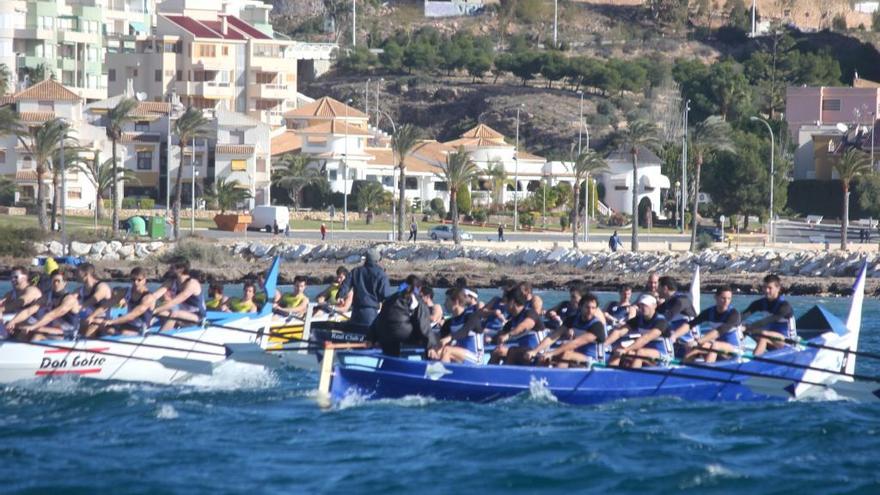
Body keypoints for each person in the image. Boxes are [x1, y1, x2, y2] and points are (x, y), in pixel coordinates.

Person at [527, 292, 607, 367]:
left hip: (596, 362)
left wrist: (552, 353)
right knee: (544, 357)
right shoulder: (573, 319)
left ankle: (558, 379)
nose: (590, 311)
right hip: (579, 356)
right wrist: (535, 351)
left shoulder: (597, 326)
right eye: (587, 307)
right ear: (580, 307)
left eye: (593, 308)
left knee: (565, 354)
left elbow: (575, 343)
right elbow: (553, 336)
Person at [366, 274, 433, 356]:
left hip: (383, 334)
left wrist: (370, 338)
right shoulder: (416, 300)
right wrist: (431, 345)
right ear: (419, 288)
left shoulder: (391, 298)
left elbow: (379, 319)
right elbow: (423, 324)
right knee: (421, 337)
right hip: (401, 334)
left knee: (391, 338)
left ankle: (390, 360)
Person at [7, 270, 80, 341]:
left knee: (37, 334)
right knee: (21, 329)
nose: (56, 283)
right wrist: (13, 321)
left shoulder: (70, 299)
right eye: (53, 281)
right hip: (54, 330)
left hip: (69, 333)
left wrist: (33, 327)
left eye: (58, 281)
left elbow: (52, 315)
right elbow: (28, 311)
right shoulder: (47, 297)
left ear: (65, 283)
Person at [675, 286, 742, 363]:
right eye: (723, 298)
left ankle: (707, 370)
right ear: (716, 297)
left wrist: (698, 341)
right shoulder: (709, 312)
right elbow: (690, 324)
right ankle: (684, 368)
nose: (726, 301)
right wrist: (673, 336)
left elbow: (719, 331)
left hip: (733, 349)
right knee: (695, 348)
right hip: (717, 347)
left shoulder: (734, 314)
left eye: (729, 298)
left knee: (714, 345)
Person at [605, 294, 668, 369]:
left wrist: (625, 350)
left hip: (663, 355)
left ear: (654, 306)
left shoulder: (661, 321)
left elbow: (645, 339)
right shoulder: (638, 319)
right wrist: (604, 345)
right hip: (646, 353)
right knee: (618, 350)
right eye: (641, 305)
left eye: (645, 305)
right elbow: (619, 332)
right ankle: (610, 375)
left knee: (639, 352)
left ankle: (633, 378)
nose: (642, 308)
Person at [338, 248, 391, 333]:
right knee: (368, 339)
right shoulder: (381, 274)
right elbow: (385, 296)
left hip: (355, 314)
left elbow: (346, 285)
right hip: (370, 315)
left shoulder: (355, 271)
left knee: (354, 339)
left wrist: (340, 296)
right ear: (377, 260)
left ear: (366, 259)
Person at [489, 287, 546, 365]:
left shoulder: (529, 312)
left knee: (511, 351)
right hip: (524, 353)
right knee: (497, 351)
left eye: (506, 302)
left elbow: (526, 325)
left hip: (538, 354)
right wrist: (493, 339)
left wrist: (508, 335)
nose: (504, 306)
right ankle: (489, 375)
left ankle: (507, 374)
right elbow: (500, 336)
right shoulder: (511, 321)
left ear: (512, 302)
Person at [742, 274, 796, 356]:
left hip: (787, 343)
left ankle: (752, 363)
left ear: (778, 289)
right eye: (764, 287)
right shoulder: (760, 303)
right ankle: (735, 355)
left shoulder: (785, 306)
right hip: (770, 340)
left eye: (770, 288)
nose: (766, 290)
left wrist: (750, 327)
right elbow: (743, 315)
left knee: (763, 335)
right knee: (741, 328)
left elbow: (770, 319)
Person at [429, 288, 485, 364]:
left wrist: (450, 337)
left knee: (447, 350)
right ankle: (433, 373)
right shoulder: (449, 322)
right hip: (459, 356)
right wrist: (433, 348)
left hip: (476, 358)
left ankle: (443, 374)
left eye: (447, 300)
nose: (444, 304)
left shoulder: (471, 317)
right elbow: (440, 338)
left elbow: (464, 331)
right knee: (437, 352)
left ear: (456, 301)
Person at [151, 258, 205, 331]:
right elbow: (154, 296)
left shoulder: (192, 283)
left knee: (174, 313)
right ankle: (141, 332)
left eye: (172, 267)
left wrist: (154, 310)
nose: (169, 269)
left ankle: (159, 337)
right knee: (156, 312)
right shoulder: (171, 281)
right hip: (181, 314)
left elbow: (173, 303)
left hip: (196, 316)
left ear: (181, 269)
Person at [99, 267, 156, 335]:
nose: (135, 282)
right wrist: (92, 316)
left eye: (139, 280)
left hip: (142, 328)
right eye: (133, 279)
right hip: (128, 324)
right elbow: (107, 304)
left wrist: (112, 322)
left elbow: (132, 315)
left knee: (122, 332)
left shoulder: (148, 297)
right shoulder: (126, 291)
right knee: (100, 327)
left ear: (144, 280)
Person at [655, 276, 696, 356]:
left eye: (658, 287)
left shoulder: (682, 300)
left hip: (689, 341)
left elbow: (667, 317)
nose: (657, 291)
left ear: (665, 288)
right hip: (676, 340)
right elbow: (653, 316)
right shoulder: (668, 302)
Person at [74, 263, 113, 337]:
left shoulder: (102, 287)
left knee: (88, 332)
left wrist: (80, 306)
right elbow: (70, 299)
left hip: (103, 321)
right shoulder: (80, 290)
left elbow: (94, 299)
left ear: (86, 274)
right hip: (87, 320)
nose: (75, 274)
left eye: (77, 272)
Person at [0, 266, 43, 334]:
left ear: (25, 278)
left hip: (35, 326)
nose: (12, 280)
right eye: (11, 277)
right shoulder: (10, 294)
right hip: (17, 324)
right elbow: (2, 305)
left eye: (16, 277)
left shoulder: (32, 290)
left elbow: (21, 302)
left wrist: (2, 309)